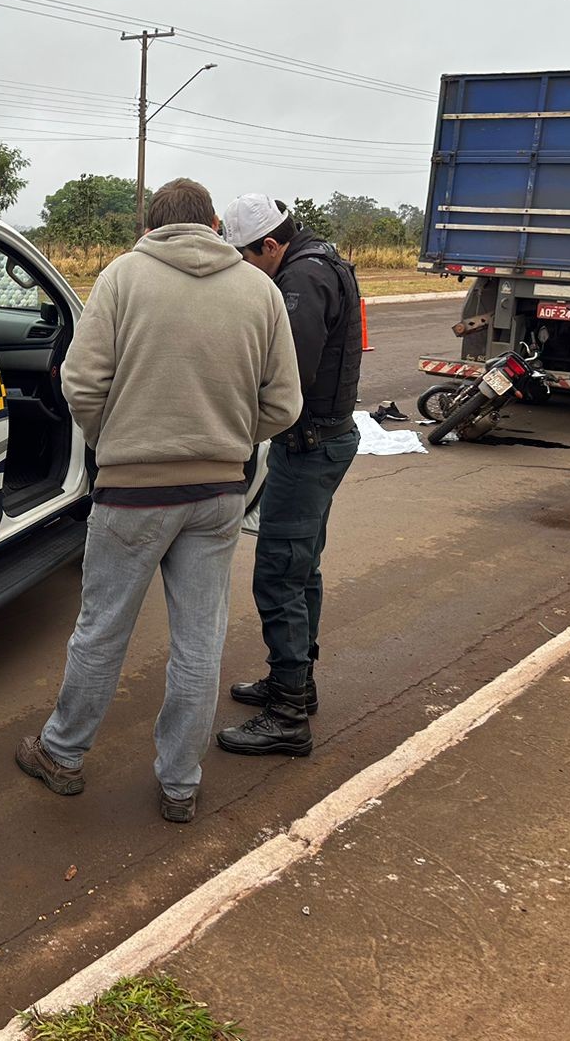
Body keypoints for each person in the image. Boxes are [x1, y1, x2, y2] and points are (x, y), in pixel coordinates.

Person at [15, 178, 302, 823]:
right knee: (199, 643)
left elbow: (80, 382)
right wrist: (229, 440)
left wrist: (111, 438)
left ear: (150, 227)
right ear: (214, 227)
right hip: (219, 495)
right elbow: (284, 405)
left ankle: (61, 754)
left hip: (132, 493)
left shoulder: (122, 278)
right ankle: (180, 785)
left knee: (102, 629)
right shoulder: (261, 292)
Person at [215, 195, 363, 759]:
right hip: (320, 443)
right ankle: (295, 684)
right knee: (301, 570)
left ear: (270, 246)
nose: (244, 268)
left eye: (246, 256)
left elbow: (285, 379)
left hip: (309, 447)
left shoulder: (301, 282)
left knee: (279, 574)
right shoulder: (320, 261)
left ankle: (287, 715)